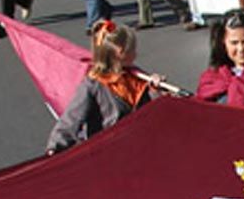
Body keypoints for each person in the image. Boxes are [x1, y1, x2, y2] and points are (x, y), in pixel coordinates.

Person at [45, 20, 162, 154]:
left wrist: (154, 89)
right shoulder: (94, 84)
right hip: (106, 150)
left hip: (135, 146)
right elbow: (72, 117)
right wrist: (55, 146)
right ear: (120, 52)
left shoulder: (135, 76)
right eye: (132, 50)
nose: (136, 53)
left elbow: (151, 107)